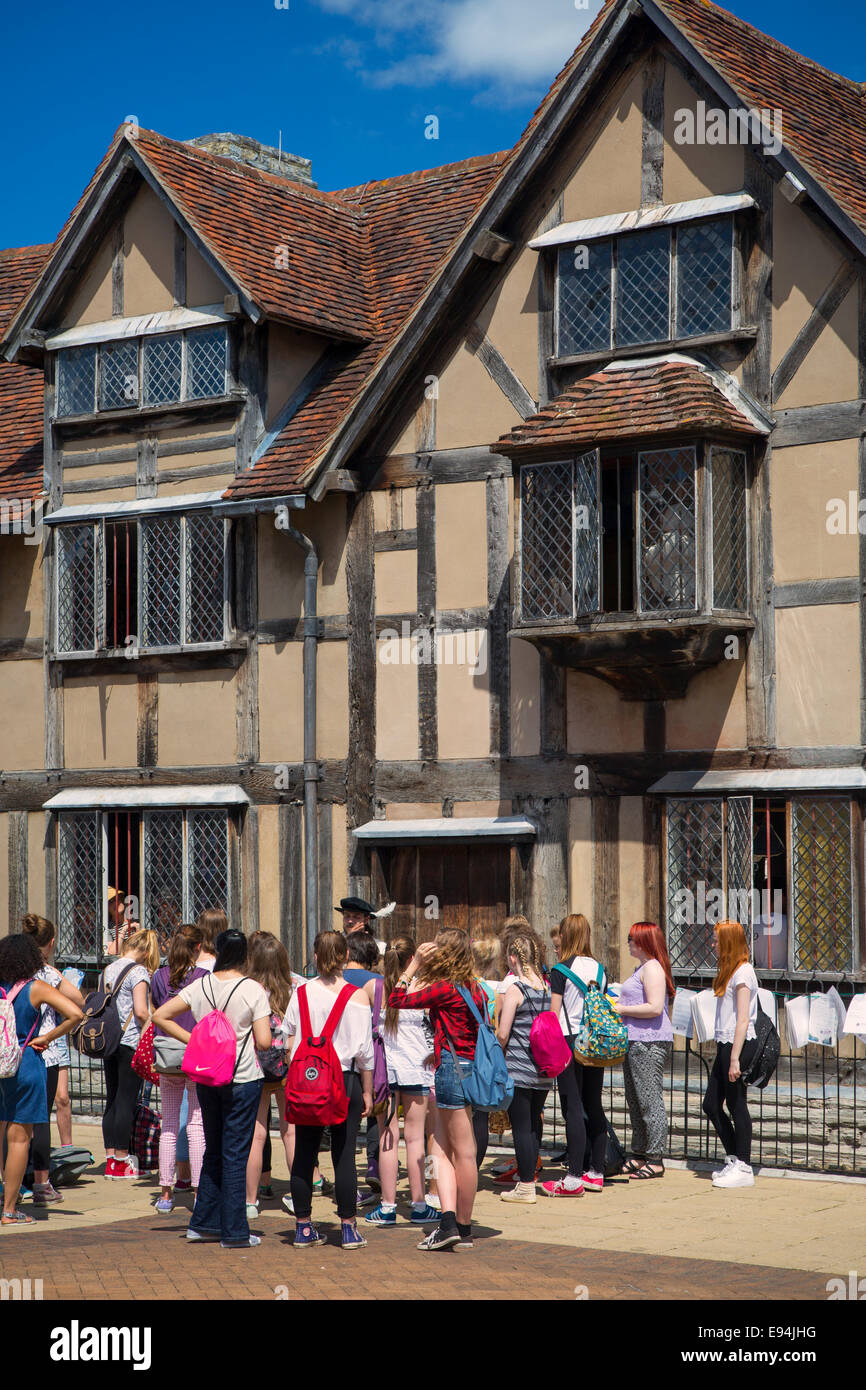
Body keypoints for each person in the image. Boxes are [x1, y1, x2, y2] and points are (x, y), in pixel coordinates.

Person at [152, 928, 272, 1248]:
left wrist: (194, 1040)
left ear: (216, 951)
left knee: (215, 1150)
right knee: (235, 1153)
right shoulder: (252, 989)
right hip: (242, 1078)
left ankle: (203, 1222)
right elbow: (263, 1040)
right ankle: (235, 1232)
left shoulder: (199, 984)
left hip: (206, 1078)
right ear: (245, 954)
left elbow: (160, 1015)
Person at [387, 929, 487, 1251]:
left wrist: (413, 964)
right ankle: (461, 1227)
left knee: (449, 1151)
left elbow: (396, 1000)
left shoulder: (445, 988)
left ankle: (453, 1225)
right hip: (471, 1070)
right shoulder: (477, 987)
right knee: (459, 1149)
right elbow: (469, 1029)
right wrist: (440, 1047)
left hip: (451, 1074)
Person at [282, 930, 374, 1251]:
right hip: (345, 1079)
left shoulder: (302, 993)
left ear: (316, 956)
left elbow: (288, 1038)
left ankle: (303, 1227)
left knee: (305, 1153)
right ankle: (348, 1228)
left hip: (308, 1081)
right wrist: (367, 1091)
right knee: (344, 1152)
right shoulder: (357, 996)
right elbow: (365, 1052)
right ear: (346, 956)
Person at [0, 933, 83, 1226]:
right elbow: (75, 1012)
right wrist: (47, 1037)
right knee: (20, 1137)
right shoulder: (36, 988)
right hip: (25, 1063)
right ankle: (9, 1210)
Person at [364, 936, 438, 1228]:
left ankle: (387, 1206)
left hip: (386, 1072)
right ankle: (419, 1204)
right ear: (412, 960)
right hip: (417, 1070)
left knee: (387, 1137)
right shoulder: (424, 987)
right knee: (416, 1139)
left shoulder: (373, 987)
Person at [542, 913, 609, 1198]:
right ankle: (596, 1171)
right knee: (594, 1103)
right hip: (595, 1041)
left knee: (572, 1107)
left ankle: (573, 1176)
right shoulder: (601, 970)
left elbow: (553, 1015)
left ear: (566, 936)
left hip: (569, 1041)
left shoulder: (560, 970)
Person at [22, 915, 85, 1205]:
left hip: (15, 1049)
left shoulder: (12, 970)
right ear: (49, 944)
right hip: (44, 1050)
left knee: (12, 1119)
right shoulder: (47, 974)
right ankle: (41, 1182)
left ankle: (15, 1178)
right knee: (40, 1119)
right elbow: (79, 1001)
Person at [150, 929, 209, 1213]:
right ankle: (198, 1191)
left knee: (169, 1125)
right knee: (196, 1124)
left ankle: (165, 1192)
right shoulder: (202, 979)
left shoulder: (159, 976)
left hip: (165, 1055)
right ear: (197, 947)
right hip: (194, 1055)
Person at [702, 920, 759, 1189]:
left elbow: (743, 1019)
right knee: (711, 1104)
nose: (712, 945)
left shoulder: (744, 973)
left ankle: (744, 1166)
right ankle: (736, 1159)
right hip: (726, 1043)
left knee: (737, 1104)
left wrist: (735, 1057)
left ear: (728, 943)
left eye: (716, 940)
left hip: (738, 1044)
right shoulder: (730, 971)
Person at [496, 934, 553, 1203]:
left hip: (518, 1069)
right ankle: (529, 1181)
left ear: (513, 958)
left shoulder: (516, 989)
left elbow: (503, 1033)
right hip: (542, 1070)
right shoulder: (545, 987)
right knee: (531, 1126)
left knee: (520, 1128)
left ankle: (526, 1185)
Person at [616, 922, 675, 1179]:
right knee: (635, 1098)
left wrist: (621, 1009)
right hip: (634, 1040)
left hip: (649, 1041)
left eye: (632, 938)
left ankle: (655, 1157)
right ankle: (639, 1153)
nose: (628, 942)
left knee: (650, 1099)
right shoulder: (641, 968)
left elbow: (654, 1007)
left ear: (644, 941)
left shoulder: (652, 968)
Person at [244, 932, 296, 1221]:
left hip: (255, 1065)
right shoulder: (296, 986)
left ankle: (250, 1200)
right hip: (287, 1066)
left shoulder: (248, 989)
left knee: (257, 1133)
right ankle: (298, 1194)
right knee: (290, 1130)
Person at [102, 929, 160, 1180]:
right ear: (146, 951)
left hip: (109, 1040)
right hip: (129, 1041)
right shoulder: (138, 972)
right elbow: (140, 1011)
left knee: (112, 1097)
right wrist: (156, 1025)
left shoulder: (109, 969)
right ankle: (122, 1160)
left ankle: (110, 1158)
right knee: (127, 1099)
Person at [470, 935, 502, 1172]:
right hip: (484, 1057)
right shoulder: (493, 992)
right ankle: (475, 1167)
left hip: (461, 1052)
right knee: (480, 1116)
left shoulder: (462, 986)